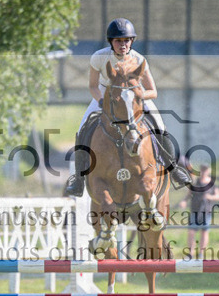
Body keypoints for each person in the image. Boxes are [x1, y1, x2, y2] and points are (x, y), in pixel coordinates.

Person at [64, 18, 192, 197]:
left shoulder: (139, 59)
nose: (123, 45)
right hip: (105, 93)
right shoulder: (99, 57)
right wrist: (101, 100)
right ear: (111, 42)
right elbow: (93, 85)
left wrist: (135, 96)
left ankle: (174, 168)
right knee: (83, 126)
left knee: (160, 127)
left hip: (134, 95)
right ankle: (78, 179)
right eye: (118, 41)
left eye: (126, 40)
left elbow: (152, 91)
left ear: (131, 41)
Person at [184, 165, 219, 259]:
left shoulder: (212, 183)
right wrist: (184, 201)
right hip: (195, 210)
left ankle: (201, 253)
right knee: (191, 232)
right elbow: (189, 194)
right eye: (202, 169)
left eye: (205, 170)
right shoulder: (195, 182)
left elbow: (218, 196)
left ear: (208, 170)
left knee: (204, 232)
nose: (204, 171)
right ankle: (190, 254)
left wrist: (210, 197)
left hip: (206, 211)